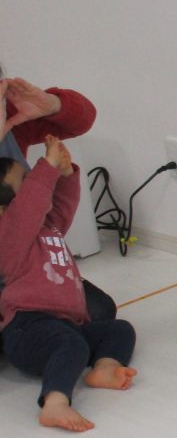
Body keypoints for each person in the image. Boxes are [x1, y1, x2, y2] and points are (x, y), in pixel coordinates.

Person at [0, 136, 136, 432]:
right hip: (27, 327)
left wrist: (65, 173)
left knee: (119, 329)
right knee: (70, 344)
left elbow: (61, 204)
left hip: (64, 323)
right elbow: (27, 207)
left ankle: (105, 367)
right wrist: (46, 165)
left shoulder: (47, 226)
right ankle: (55, 402)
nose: (35, 181)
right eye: (25, 180)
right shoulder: (9, 237)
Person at [0, 67, 115, 324]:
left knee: (99, 310)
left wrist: (53, 105)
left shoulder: (11, 120)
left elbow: (83, 118)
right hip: (11, 272)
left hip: (23, 270)